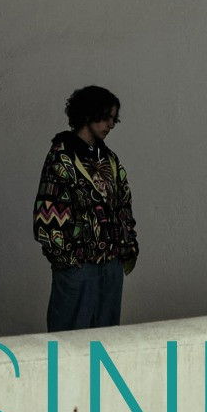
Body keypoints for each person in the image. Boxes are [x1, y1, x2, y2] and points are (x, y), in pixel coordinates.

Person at [33, 85, 139, 331]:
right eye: (106, 117)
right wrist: (69, 260)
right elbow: (48, 214)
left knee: (106, 339)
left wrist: (126, 248)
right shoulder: (62, 156)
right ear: (88, 114)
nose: (110, 125)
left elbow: (123, 204)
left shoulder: (109, 159)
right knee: (69, 341)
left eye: (114, 119)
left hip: (110, 265)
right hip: (78, 268)